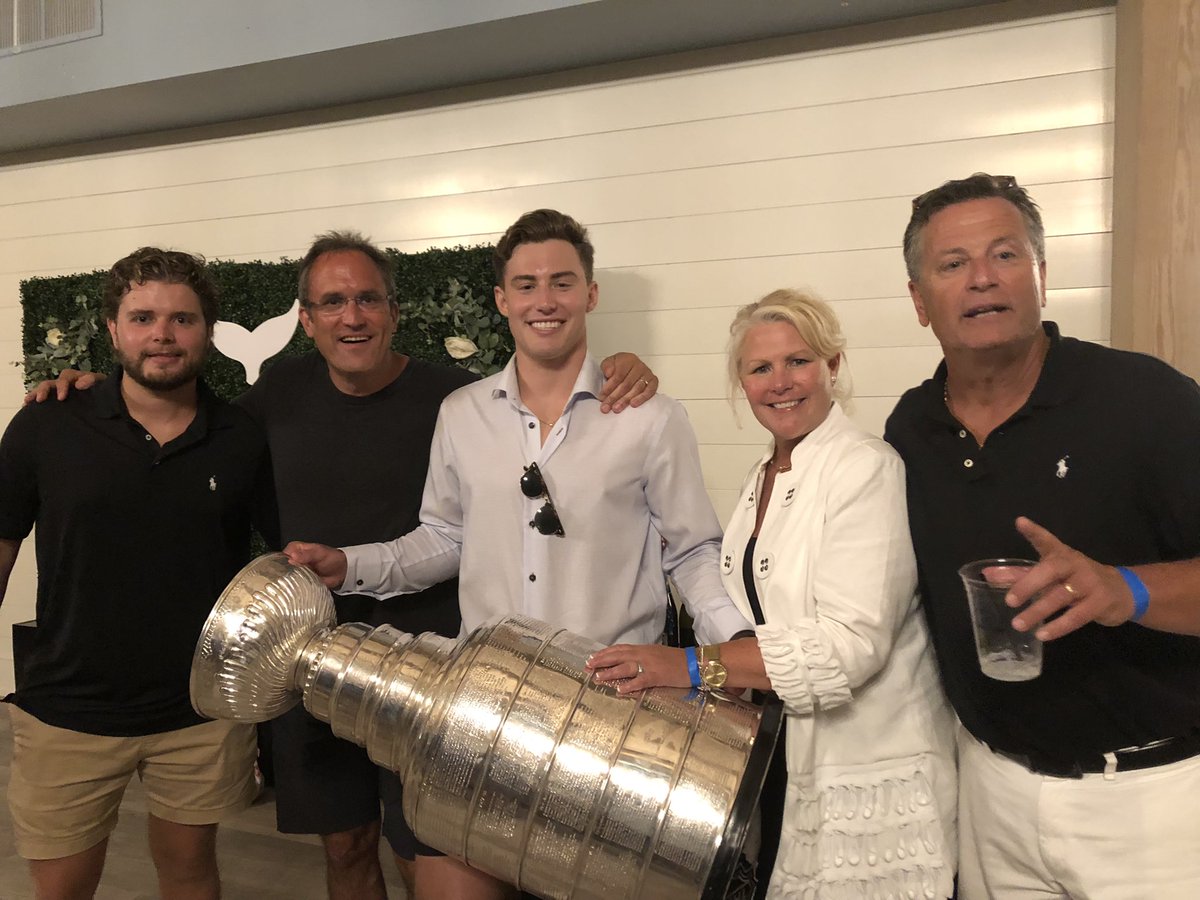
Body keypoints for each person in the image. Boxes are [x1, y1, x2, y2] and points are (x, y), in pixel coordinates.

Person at [28, 230, 658, 900]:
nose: (351, 317)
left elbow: (544, 415)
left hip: (437, 667)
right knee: (348, 847)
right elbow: (178, 423)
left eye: (366, 300)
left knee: (435, 857)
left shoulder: (461, 401)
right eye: (332, 302)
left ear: (393, 310)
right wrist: (91, 390)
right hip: (311, 661)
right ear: (305, 318)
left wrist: (614, 368)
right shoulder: (272, 399)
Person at [285, 209, 752, 900]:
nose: (545, 300)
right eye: (526, 284)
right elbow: (442, 539)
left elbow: (691, 552)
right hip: (481, 720)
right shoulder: (462, 413)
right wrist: (349, 564)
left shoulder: (652, 418)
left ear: (590, 293)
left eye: (562, 282)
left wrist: (735, 646)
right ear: (502, 300)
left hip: (613, 722)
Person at [884, 172, 1200, 898]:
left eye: (1006, 255)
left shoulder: (1146, 401)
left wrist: (1128, 590)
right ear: (919, 300)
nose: (982, 279)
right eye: (952, 264)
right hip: (990, 794)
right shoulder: (911, 429)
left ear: (1042, 276)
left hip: (1149, 802)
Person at [587, 289, 957, 899]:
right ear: (741, 382)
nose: (780, 382)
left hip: (864, 773)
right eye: (761, 368)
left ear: (832, 365)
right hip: (779, 760)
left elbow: (850, 645)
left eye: (799, 361)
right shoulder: (765, 474)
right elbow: (755, 617)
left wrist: (691, 664)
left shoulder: (865, 467)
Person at [0, 248, 275, 900]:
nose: (162, 334)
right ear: (114, 328)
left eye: (182, 319)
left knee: (190, 876)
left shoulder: (240, 437)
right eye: (143, 317)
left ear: (207, 330)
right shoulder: (47, 423)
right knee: (62, 889)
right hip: (67, 709)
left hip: (199, 712)